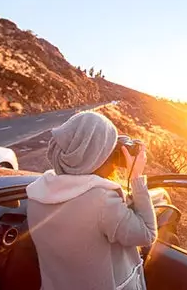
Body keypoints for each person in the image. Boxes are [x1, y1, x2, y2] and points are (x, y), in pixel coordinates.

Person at [26, 111, 157, 290]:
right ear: (98, 156)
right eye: (109, 148)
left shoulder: (36, 192)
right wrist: (136, 178)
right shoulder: (102, 201)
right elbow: (147, 234)